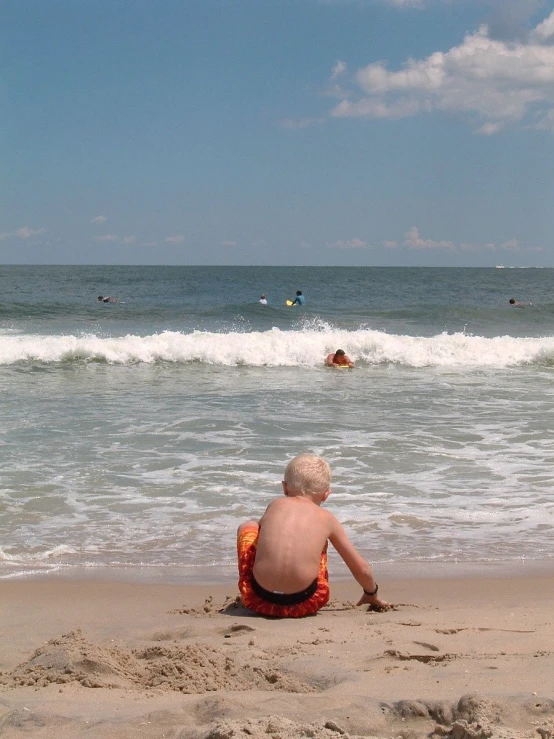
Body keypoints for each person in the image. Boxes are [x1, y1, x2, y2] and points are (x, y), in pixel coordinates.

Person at [237, 454, 390, 618]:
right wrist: (371, 593)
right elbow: (362, 569)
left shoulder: (275, 505)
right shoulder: (327, 518)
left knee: (248, 526)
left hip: (256, 600)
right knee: (319, 541)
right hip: (305, 604)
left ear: (284, 487)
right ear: (326, 494)